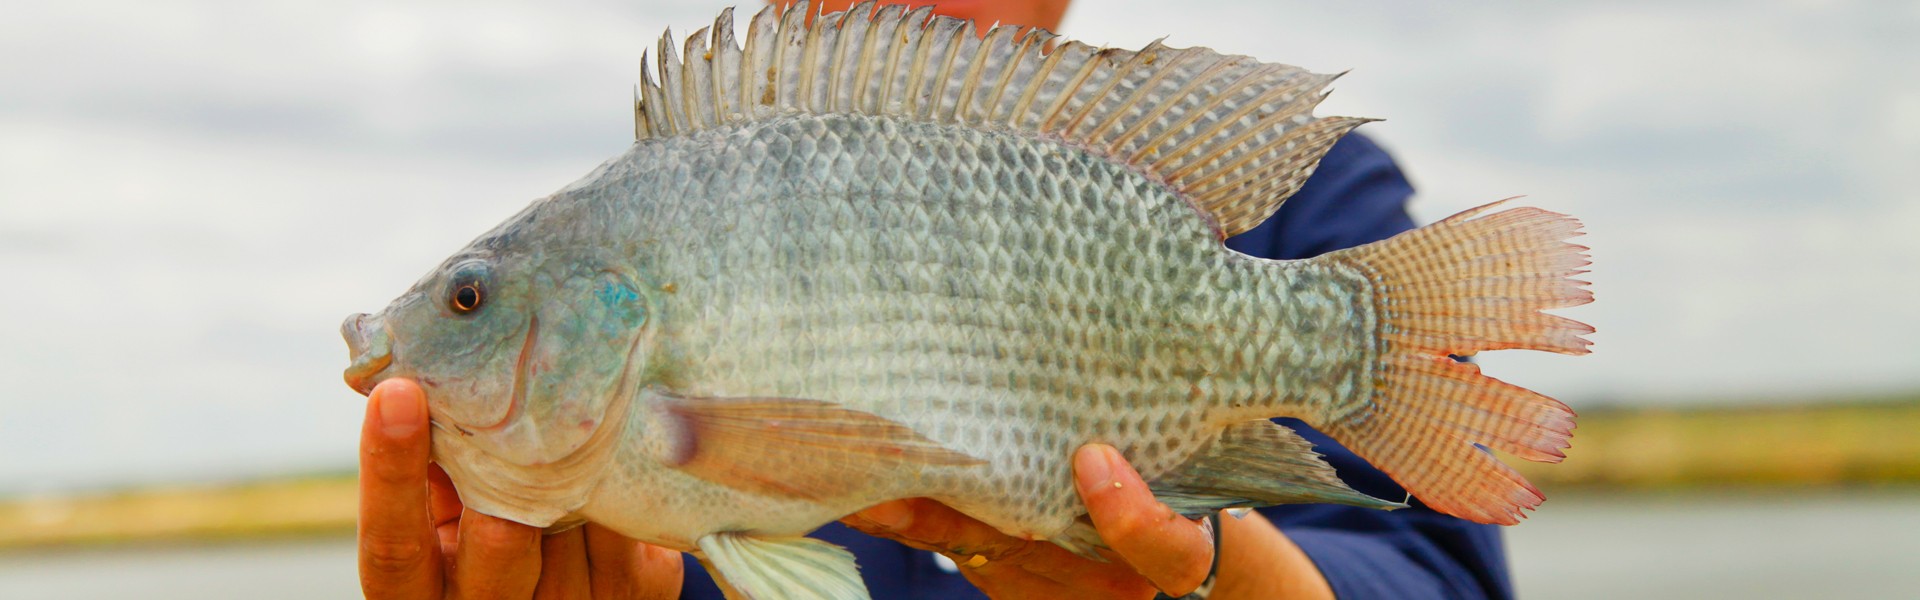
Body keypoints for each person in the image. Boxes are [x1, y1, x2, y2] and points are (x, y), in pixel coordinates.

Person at [356, 1, 1513, 598]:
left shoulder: (1314, 211)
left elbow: (1440, 575)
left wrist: (1215, 575)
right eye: (471, 304)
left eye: (469, 303)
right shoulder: (644, 215)